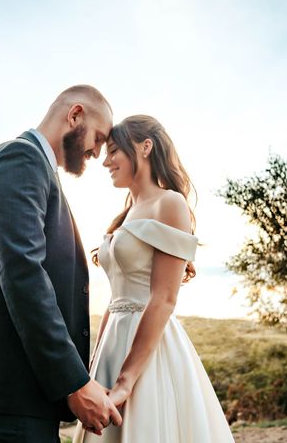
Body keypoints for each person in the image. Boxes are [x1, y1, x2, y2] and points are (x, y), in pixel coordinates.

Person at [0, 85, 122, 442]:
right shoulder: (21, 159)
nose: (97, 151)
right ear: (75, 115)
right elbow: (22, 274)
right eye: (98, 137)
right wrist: (74, 381)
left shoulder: (31, 166)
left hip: (15, 389)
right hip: (11, 387)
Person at [74, 115, 235, 442]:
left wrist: (125, 381)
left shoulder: (169, 203)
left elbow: (164, 298)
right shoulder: (126, 213)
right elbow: (115, 297)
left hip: (149, 349)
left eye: (114, 151)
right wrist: (94, 363)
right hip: (111, 345)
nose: (105, 162)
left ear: (145, 147)